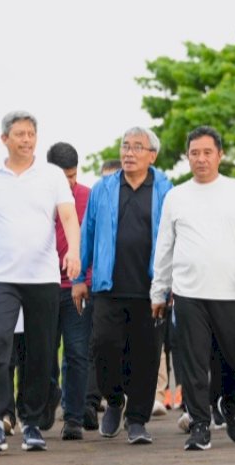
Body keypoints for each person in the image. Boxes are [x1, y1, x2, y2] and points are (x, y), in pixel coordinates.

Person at [151, 125, 235, 451]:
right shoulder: (176, 196)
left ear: (220, 155)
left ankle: (230, 407)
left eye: (207, 152)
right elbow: (164, 247)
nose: (201, 159)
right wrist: (158, 291)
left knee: (231, 360)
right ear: (187, 157)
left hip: (231, 293)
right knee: (192, 362)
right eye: (194, 153)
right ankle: (200, 425)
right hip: (188, 293)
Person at [0, 111, 81, 453]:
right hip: (1, 277)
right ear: (5, 138)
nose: (27, 139)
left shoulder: (51, 176)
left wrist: (73, 252)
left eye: (31, 134)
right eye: (19, 134)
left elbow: (68, 216)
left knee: (40, 351)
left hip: (43, 277)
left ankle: (31, 421)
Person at [73, 126, 172, 445]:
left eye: (137, 147)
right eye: (125, 146)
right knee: (104, 346)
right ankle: (114, 400)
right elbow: (86, 232)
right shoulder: (103, 188)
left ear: (152, 155)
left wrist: (172, 284)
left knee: (145, 356)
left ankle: (138, 420)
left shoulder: (166, 189)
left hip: (151, 290)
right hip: (107, 286)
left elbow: (176, 238)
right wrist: (79, 278)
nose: (128, 153)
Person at [43, 141, 93, 441]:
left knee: (76, 352)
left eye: (74, 175)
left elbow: (92, 240)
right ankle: (49, 398)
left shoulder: (86, 196)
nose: (70, 182)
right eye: (64, 177)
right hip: (43, 286)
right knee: (44, 352)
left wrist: (82, 279)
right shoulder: (35, 197)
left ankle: (73, 417)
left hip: (75, 287)